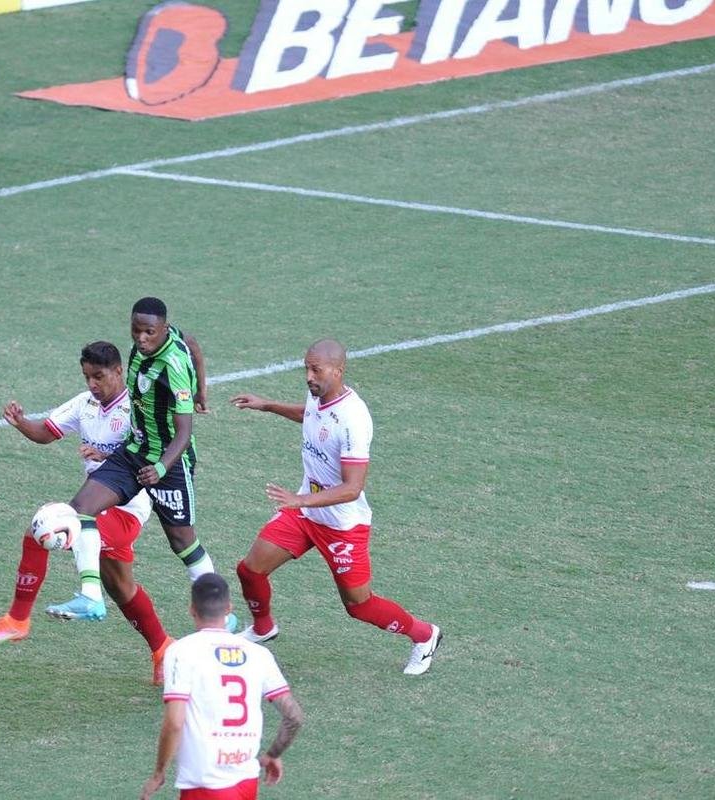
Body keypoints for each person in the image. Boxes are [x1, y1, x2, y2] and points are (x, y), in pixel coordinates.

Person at [230, 339, 443, 676]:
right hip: (305, 514)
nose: (308, 376)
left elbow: (352, 487)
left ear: (338, 371)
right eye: (306, 368)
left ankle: (425, 635)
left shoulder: (354, 419)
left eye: (316, 369)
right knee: (250, 569)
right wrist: (267, 405)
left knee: (359, 606)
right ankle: (263, 627)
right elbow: (310, 416)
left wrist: (300, 500)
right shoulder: (319, 396)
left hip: (342, 525)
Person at [0, 341, 175, 685]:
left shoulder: (135, 410)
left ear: (117, 371)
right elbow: (46, 432)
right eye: (87, 377)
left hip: (127, 511)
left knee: (42, 528)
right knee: (122, 588)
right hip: (96, 511)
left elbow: (152, 453)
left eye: (99, 377)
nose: (92, 384)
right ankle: (164, 651)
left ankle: (19, 619)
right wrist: (22, 423)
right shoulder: (85, 405)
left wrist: (108, 457)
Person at [47, 297, 235, 632]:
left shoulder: (172, 367)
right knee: (80, 509)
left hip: (170, 464)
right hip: (135, 450)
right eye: (136, 331)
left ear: (162, 329)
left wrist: (161, 469)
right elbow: (191, 340)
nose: (142, 339)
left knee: (183, 541)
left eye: (149, 332)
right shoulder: (161, 338)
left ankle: (226, 615)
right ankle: (91, 596)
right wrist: (202, 390)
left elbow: (184, 432)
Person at [141, 573, 303, 800]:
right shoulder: (258, 654)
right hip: (246, 782)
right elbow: (293, 716)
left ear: (191, 609)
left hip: (205, 783)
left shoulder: (181, 651)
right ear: (228, 608)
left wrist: (159, 773)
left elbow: (175, 722)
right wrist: (273, 754)